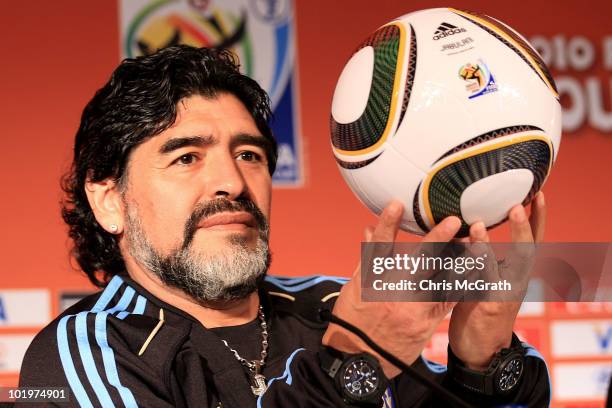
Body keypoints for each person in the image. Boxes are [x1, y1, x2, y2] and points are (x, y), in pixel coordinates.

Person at [19, 45, 551, 407]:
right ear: (108, 199)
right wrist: (348, 370)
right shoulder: (83, 351)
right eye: (186, 157)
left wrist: (481, 362)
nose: (231, 181)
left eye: (249, 154)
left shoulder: (333, 305)